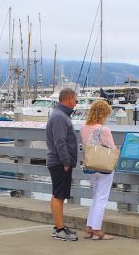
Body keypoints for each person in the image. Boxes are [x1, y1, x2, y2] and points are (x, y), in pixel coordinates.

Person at [45, 87, 79, 241]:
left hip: (57, 161)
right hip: (59, 162)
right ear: (69, 99)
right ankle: (59, 230)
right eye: (76, 100)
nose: (76, 104)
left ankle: (59, 226)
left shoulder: (59, 115)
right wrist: (66, 162)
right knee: (59, 196)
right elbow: (60, 142)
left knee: (57, 194)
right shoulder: (60, 117)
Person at [80, 99, 116, 240]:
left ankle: (89, 228)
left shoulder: (84, 128)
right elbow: (111, 149)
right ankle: (97, 230)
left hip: (91, 166)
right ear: (103, 114)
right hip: (104, 167)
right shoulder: (104, 129)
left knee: (95, 197)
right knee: (102, 198)